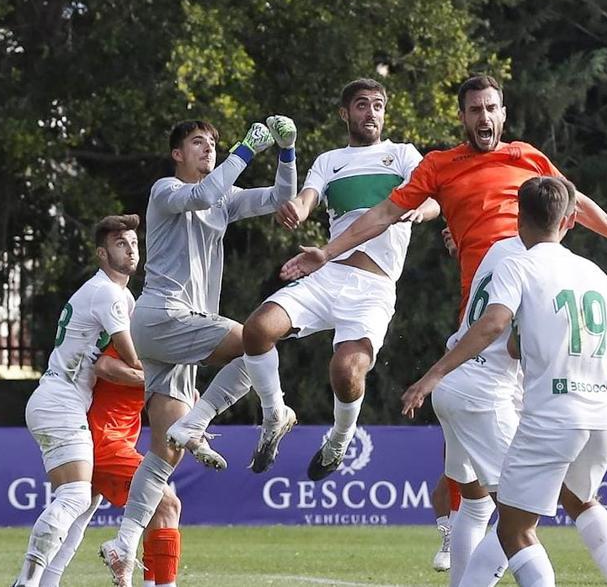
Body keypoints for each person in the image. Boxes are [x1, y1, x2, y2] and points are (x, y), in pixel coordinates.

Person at [279, 74, 607, 477]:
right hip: (487, 295)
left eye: (491, 108)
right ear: (463, 117)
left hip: (541, 275)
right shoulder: (441, 165)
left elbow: (575, 201)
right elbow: (385, 213)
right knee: (463, 406)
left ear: (503, 113)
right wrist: (328, 252)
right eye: (475, 109)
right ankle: (454, 530)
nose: (484, 117)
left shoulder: (527, 156)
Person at [166, 78, 440, 477]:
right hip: (328, 274)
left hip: (374, 290)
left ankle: (340, 438)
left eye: (378, 105)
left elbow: (433, 197)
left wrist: (423, 210)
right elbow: (306, 200)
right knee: (257, 330)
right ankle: (275, 412)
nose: (371, 112)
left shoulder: (402, 154)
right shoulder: (329, 160)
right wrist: (292, 208)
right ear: (345, 114)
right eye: (362, 105)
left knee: (345, 373)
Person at [402, 176, 607, 587]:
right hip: (601, 412)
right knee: (574, 502)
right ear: (569, 221)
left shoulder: (511, 259)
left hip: (506, 398)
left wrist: (432, 375)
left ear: (519, 218)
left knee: (511, 526)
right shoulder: (594, 271)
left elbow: (494, 325)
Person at [99, 117, 298, 586]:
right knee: (257, 341)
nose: (208, 149)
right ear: (177, 154)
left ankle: (124, 543)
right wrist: (246, 151)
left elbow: (278, 199)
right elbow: (203, 195)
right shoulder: (165, 189)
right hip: (164, 316)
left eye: (213, 144)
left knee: (164, 455)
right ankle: (260, 414)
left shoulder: (223, 197)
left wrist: (287, 152)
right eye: (198, 143)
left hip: (178, 335)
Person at [13, 215, 141, 587]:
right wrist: (168, 381)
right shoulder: (107, 292)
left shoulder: (122, 295)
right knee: (74, 495)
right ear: (102, 254)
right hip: (60, 401)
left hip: (63, 401)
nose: (131, 248)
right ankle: (27, 582)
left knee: (84, 505)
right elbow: (131, 359)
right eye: (120, 243)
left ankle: (46, 582)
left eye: (133, 242)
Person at [39, 345, 184, 587]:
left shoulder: (164, 349)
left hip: (102, 442)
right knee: (167, 505)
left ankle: (36, 581)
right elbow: (105, 366)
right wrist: (154, 379)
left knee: (73, 526)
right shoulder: (137, 338)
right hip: (106, 444)